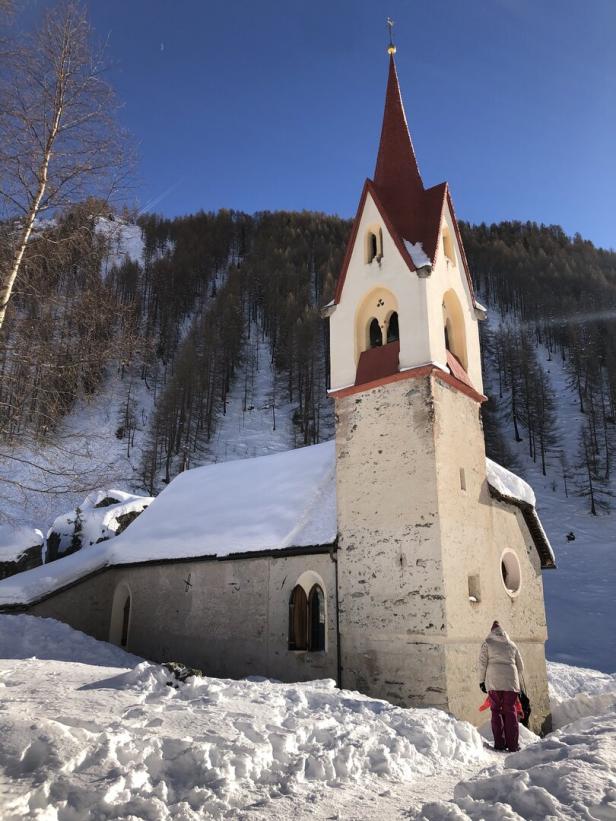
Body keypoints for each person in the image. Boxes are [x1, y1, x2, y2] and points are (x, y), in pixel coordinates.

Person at [478, 620, 524, 752]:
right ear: (504, 632)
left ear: (492, 631)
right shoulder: (512, 644)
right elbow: (520, 667)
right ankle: (513, 745)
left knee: (496, 710)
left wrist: (482, 681)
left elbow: (482, 664)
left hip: (494, 682)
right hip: (511, 683)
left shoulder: (488, 643)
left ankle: (500, 743)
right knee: (511, 712)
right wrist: (513, 677)